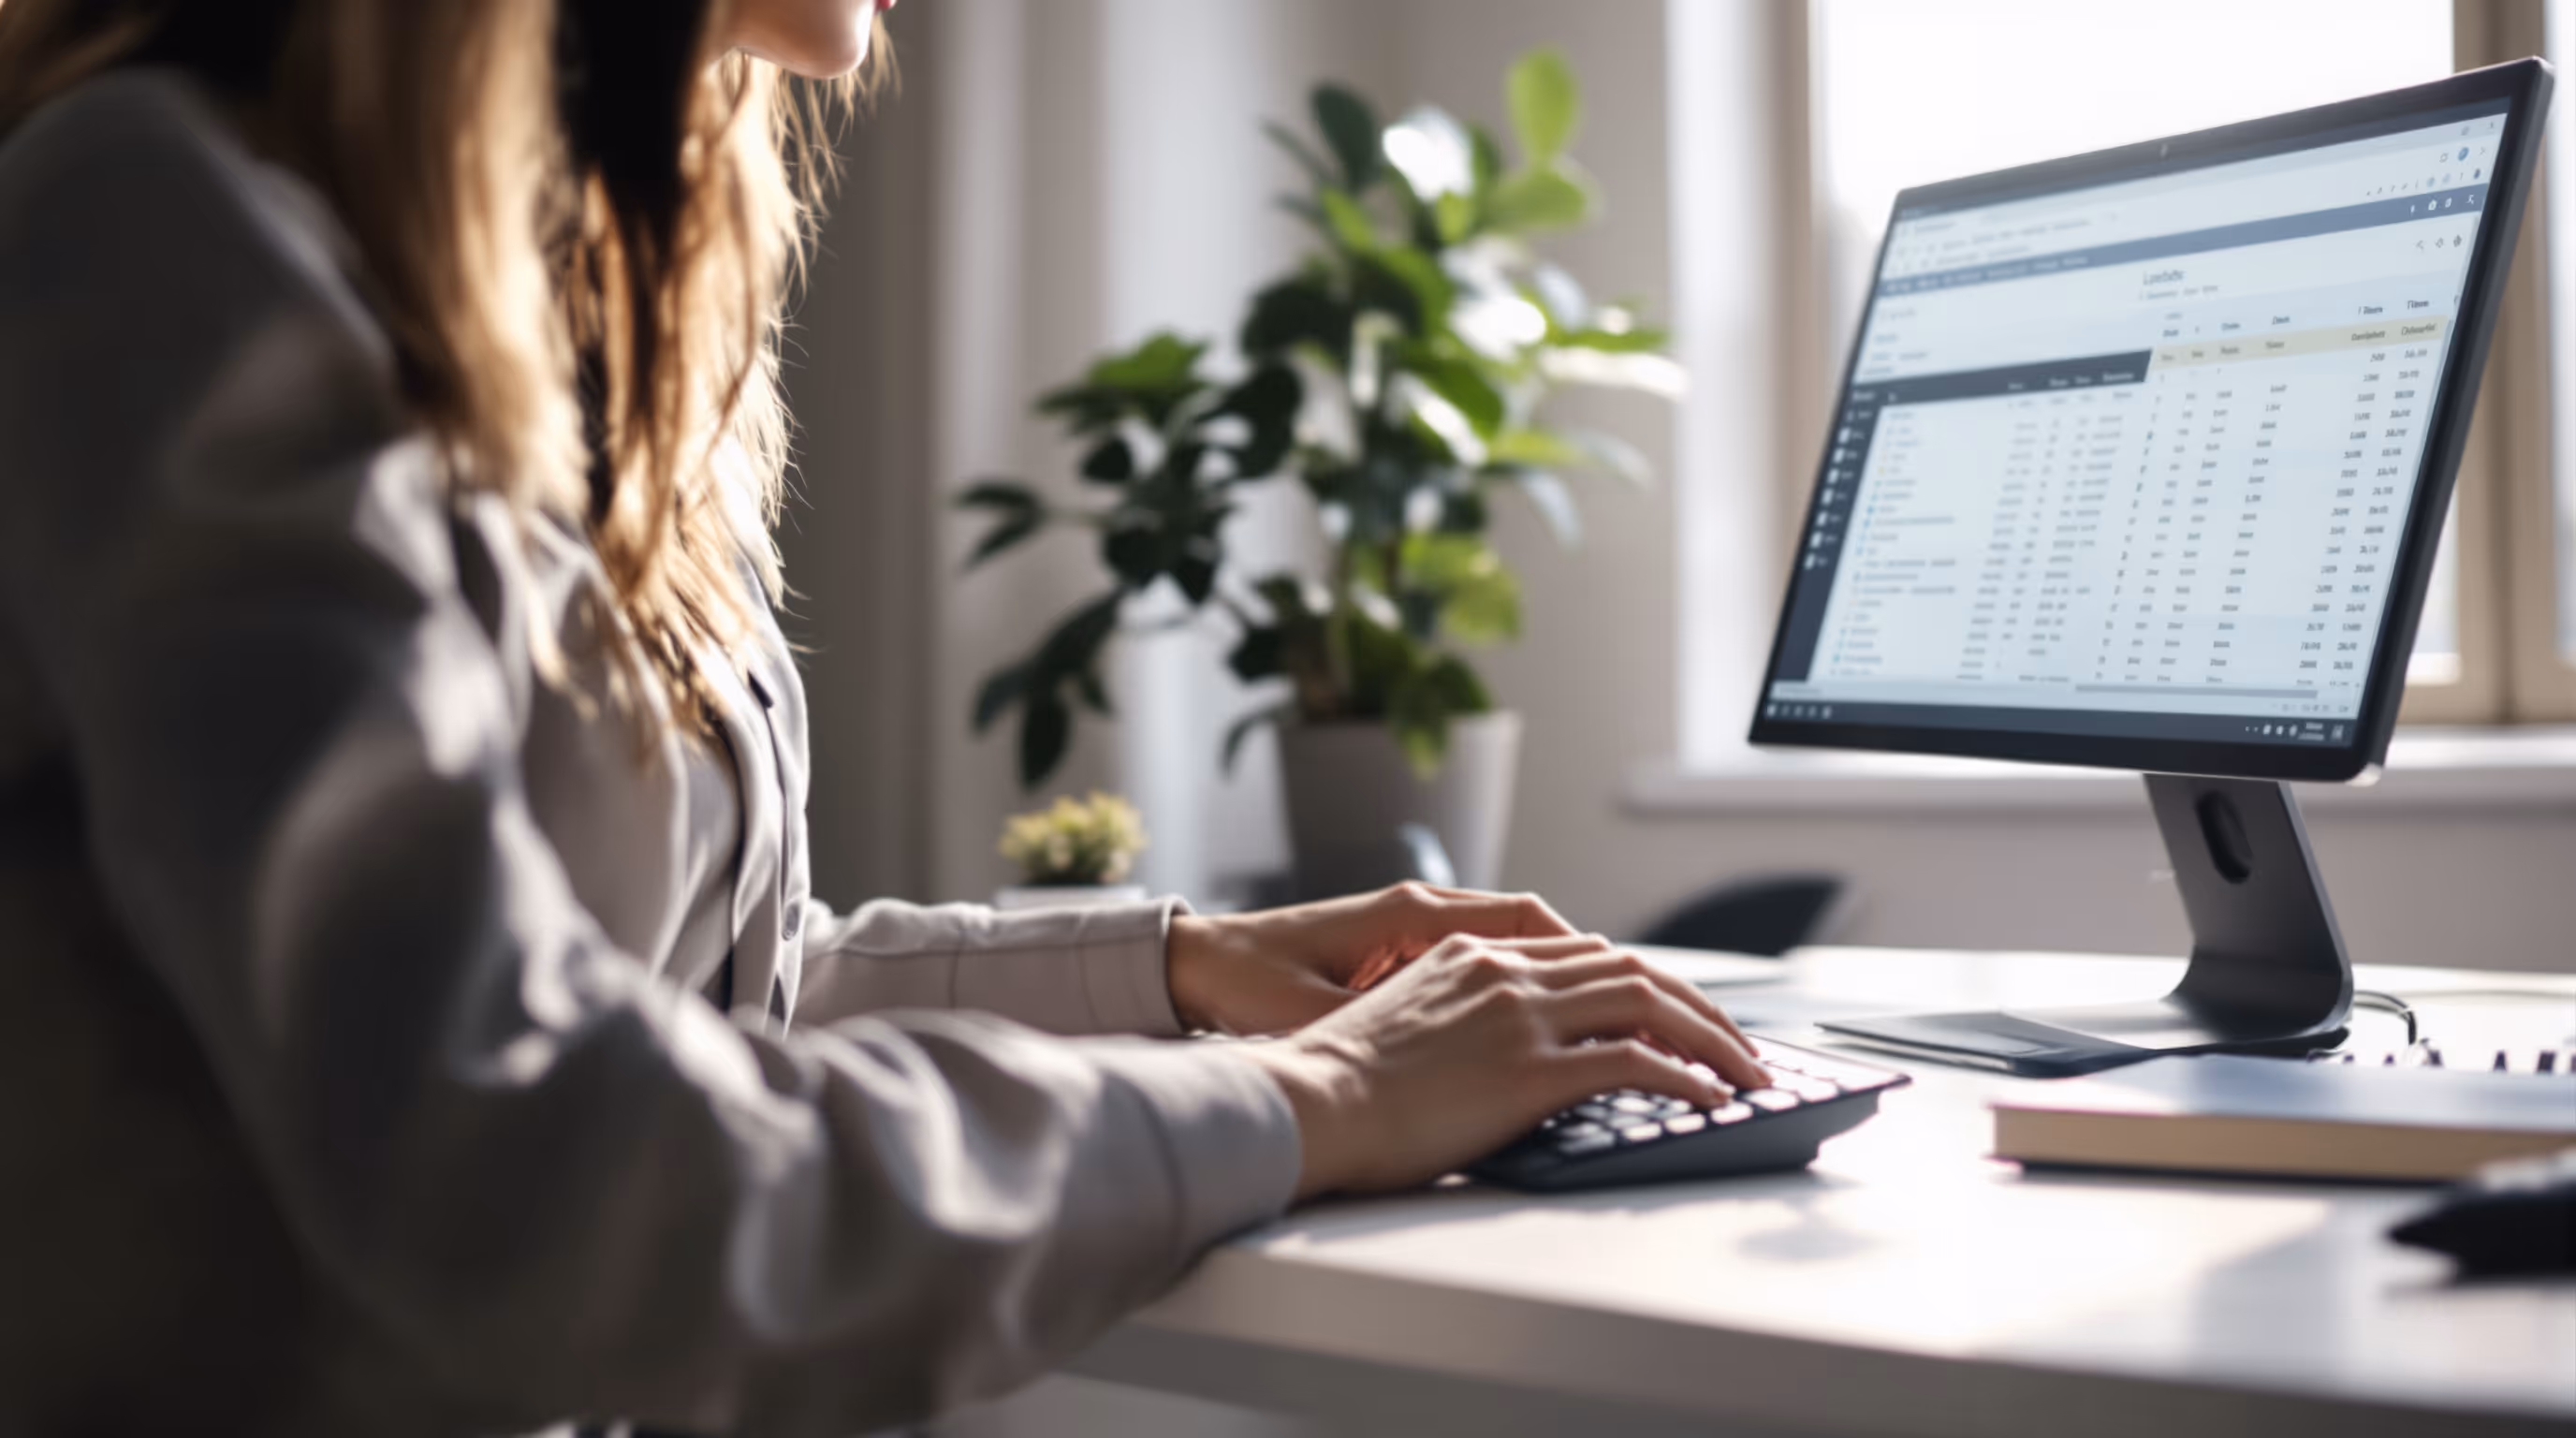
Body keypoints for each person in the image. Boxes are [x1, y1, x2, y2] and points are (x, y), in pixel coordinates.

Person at [0, 0, 1764, 1432]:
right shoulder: (157, 226)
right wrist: (1313, 1094)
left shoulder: (563, 285)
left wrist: (1178, 966)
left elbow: (673, 993)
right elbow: (534, 1169)